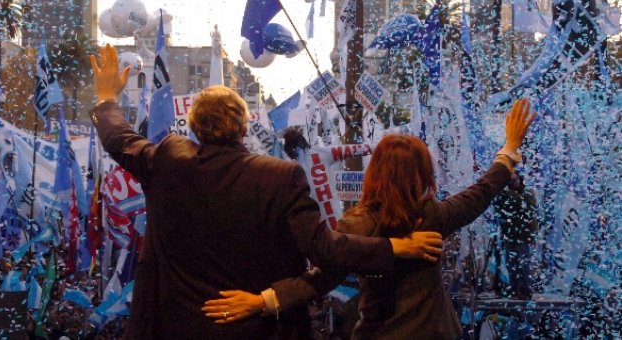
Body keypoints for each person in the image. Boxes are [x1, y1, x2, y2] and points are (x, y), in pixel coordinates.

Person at [89, 44, 444, 339]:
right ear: (243, 127)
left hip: (179, 328)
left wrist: (107, 96)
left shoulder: (167, 160)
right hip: (260, 329)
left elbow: (118, 138)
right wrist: (393, 246)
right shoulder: (280, 176)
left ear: (195, 125)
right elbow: (325, 249)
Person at [205, 98, 536, 339]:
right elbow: (481, 193)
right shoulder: (432, 216)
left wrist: (262, 301)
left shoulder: (356, 225)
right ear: (422, 175)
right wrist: (509, 148)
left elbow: (319, 279)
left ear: (375, 173)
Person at [493, 172, 539, 300]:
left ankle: (524, 290)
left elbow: (523, 207)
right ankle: (515, 289)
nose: (513, 183)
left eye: (515, 180)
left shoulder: (528, 194)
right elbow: (499, 209)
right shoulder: (504, 194)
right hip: (510, 235)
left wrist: (506, 193)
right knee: (511, 264)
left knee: (523, 264)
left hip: (523, 236)